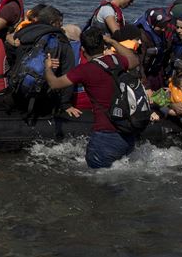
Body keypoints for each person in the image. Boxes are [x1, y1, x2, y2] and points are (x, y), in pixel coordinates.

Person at [43, 27, 141, 169]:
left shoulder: (85, 70)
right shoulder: (116, 60)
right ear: (103, 45)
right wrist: (113, 41)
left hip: (105, 136)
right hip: (127, 133)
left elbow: (54, 83)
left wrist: (48, 68)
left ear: (82, 49)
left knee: (98, 183)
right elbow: (134, 60)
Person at [133, 8, 174, 91]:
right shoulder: (142, 36)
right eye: (160, 26)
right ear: (153, 22)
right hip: (143, 75)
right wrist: (146, 86)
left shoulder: (162, 33)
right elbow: (138, 63)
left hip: (156, 74)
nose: (163, 29)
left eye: (165, 26)